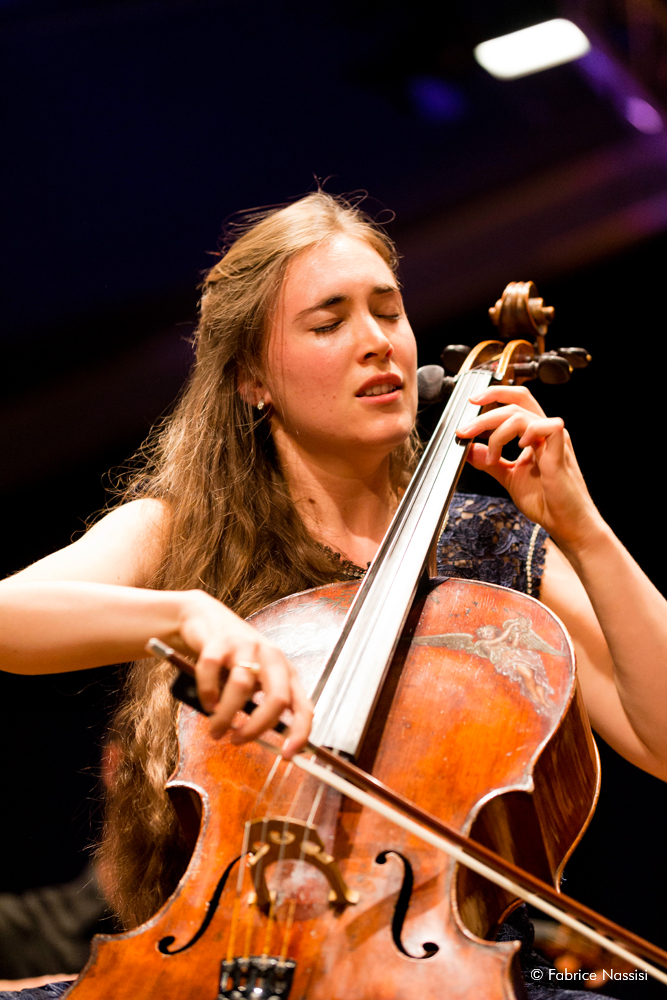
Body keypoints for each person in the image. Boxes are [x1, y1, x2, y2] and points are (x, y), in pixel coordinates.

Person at [1, 191, 666, 999]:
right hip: (224, 962)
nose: (376, 342)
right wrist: (185, 615)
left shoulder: (491, 546)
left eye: (387, 312)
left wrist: (582, 528)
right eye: (329, 323)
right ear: (252, 379)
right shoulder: (182, 532)